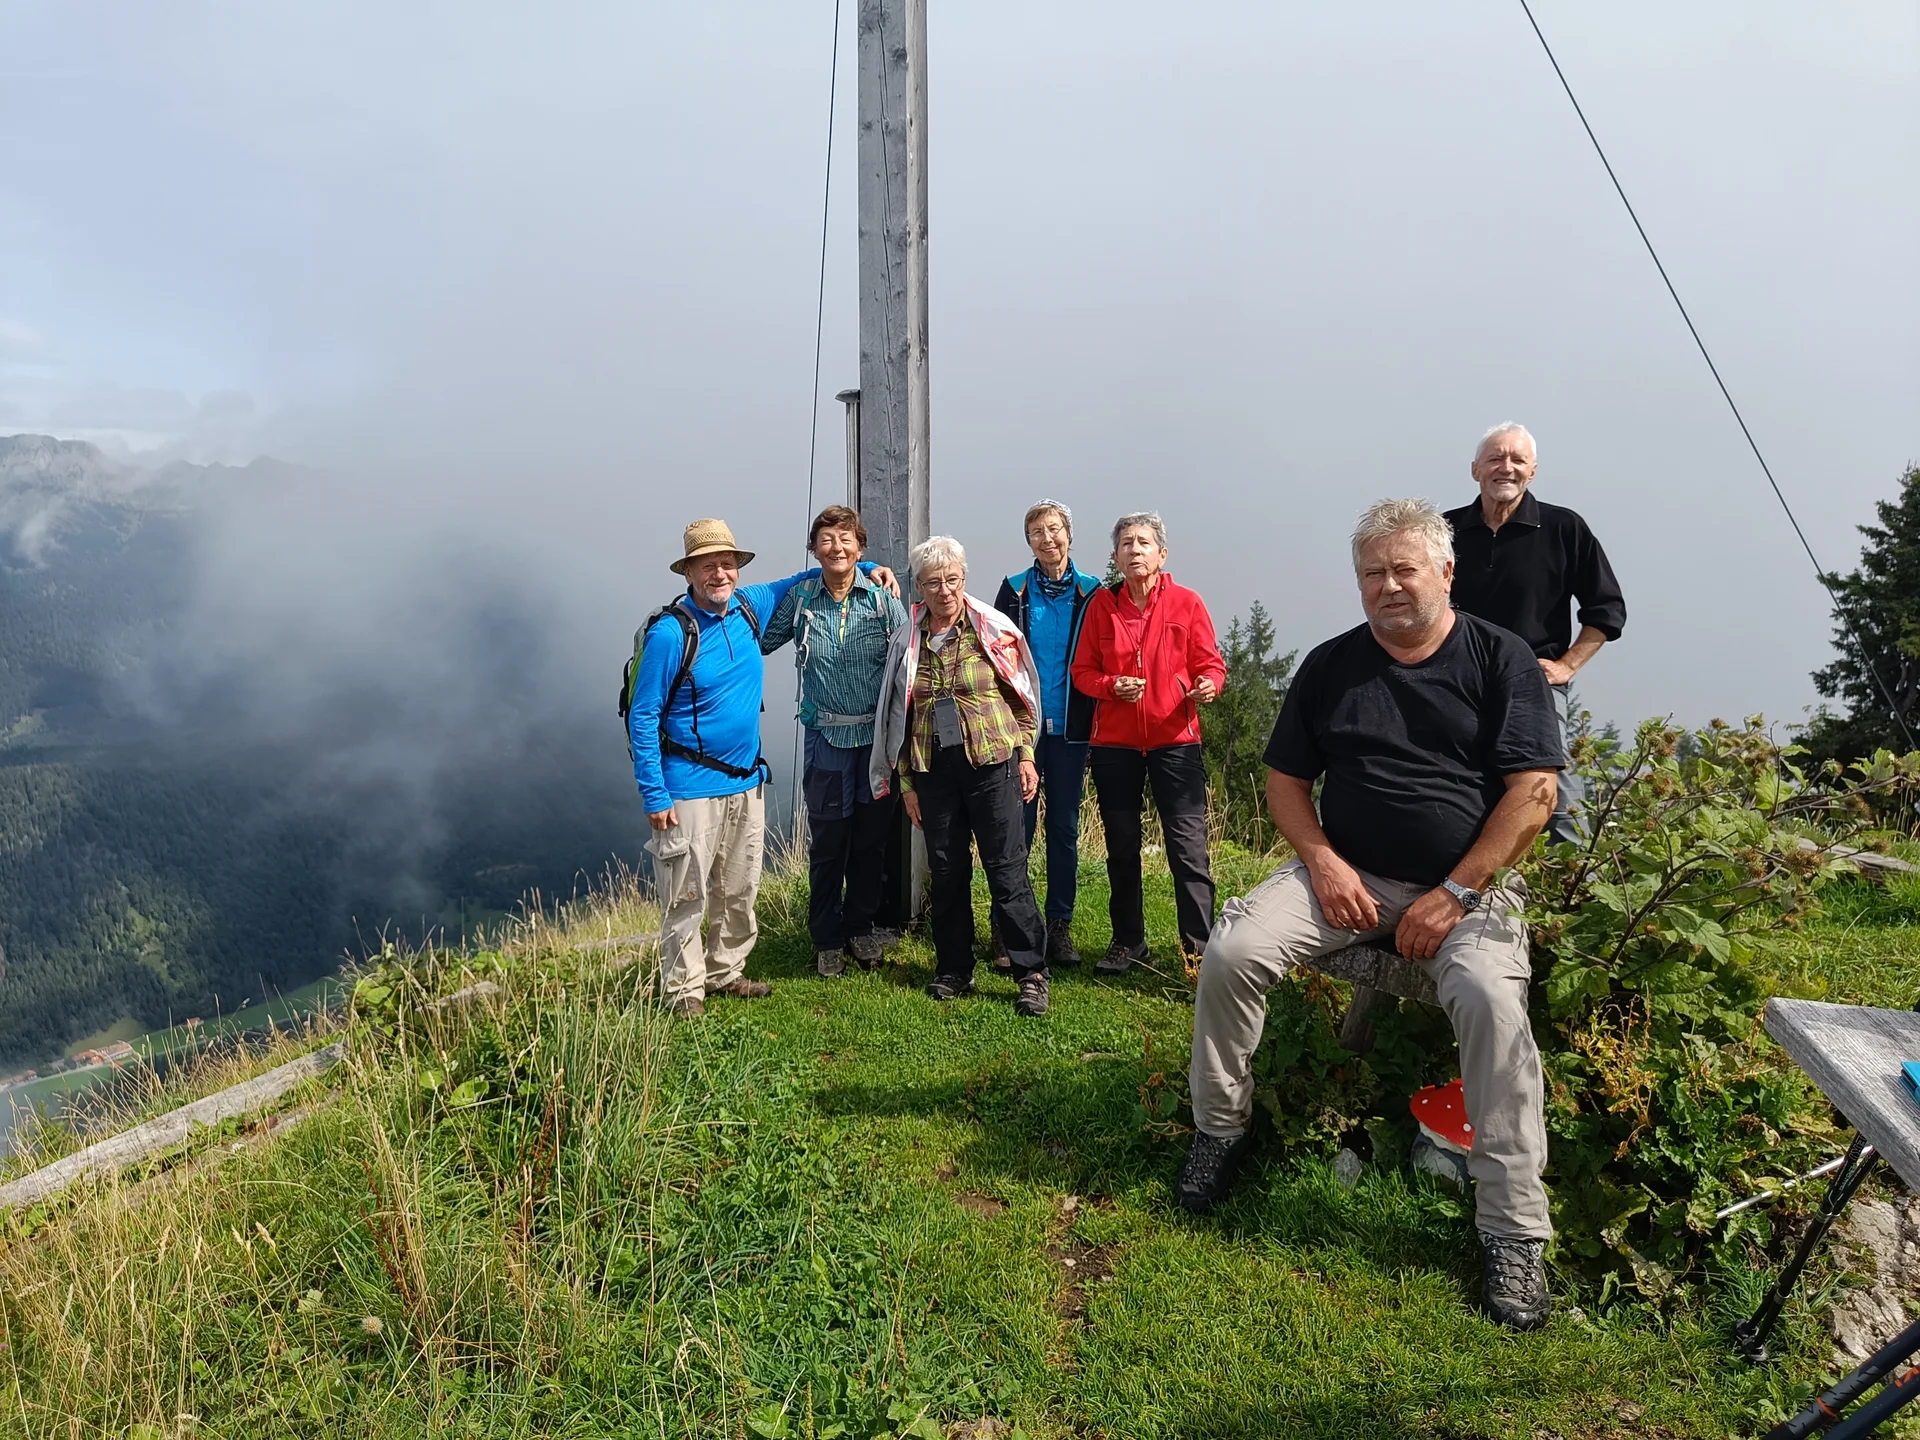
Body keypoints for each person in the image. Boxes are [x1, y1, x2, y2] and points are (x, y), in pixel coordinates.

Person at [1178, 497, 1563, 1331]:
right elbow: (1286, 783)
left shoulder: (1500, 661)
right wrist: (1321, 861)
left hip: (1470, 888)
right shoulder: (1332, 665)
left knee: (1491, 998)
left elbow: (1535, 792)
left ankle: (1512, 1229)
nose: (1388, 586)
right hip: (1344, 876)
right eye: (1372, 573)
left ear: (1446, 572)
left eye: (1403, 569)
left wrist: (1456, 891)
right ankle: (1220, 1129)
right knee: (1233, 950)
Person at [628, 518, 896, 1018]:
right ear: (688, 573)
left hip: (746, 779)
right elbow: (642, 717)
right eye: (707, 566)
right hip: (687, 783)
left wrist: (873, 567)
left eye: (726, 563)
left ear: (738, 568)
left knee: (739, 885)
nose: (719, 574)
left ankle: (726, 971)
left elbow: (818, 573)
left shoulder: (749, 605)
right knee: (686, 892)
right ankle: (684, 990)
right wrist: (654, 793)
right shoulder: (670, 633)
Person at [870, 536, 1052, 1016]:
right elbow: (899, 718)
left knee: (1006, 869)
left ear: (964, 578)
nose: (944, 590)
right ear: (919, 586)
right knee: (948, 872)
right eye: (933, 582)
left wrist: (1026, 755)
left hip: (993, 765)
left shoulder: (991, 629)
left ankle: (1031, 972)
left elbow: (1022, 697)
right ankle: (954, 968)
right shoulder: (906, 640)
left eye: (952, 579)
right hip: (933, 773)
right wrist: (906, 784)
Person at [1445, 423, 1625, 846]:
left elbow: (1607, 609)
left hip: (1533, 682)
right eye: (1495, 458)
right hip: (1453, 681)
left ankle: (1571, 880)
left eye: (1518, 460)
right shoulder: (1444, 531)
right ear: (1475, 469)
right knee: (1453, 785)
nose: (1506, 467)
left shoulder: (1564, 527)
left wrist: (1567, 666)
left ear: (1533, 471)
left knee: (1554, 794)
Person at [1070, 512, 1226, 974]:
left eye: (1143, 542)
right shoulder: (1101, 606)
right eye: (1126, 543)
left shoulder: (1187, 602)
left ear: (1162, 554)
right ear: (1115, 557)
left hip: (1175, 741)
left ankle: (1199, 953)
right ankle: (1128, 941)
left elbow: (1211, 665)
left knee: (1187, 848)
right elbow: (1082, 673)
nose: (1134, 549)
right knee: (1121, 848)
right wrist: (1111, 686)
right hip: (1114, 746)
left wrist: (1209, 685)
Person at [761, 505, 908, 977]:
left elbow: (908, 665)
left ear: (860, 548)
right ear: (814, 549)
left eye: (846, 539)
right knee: (828, 843)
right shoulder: (802, 599)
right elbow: (760, 641)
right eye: (826, 540)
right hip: (825, 738)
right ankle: (826, 937)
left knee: (869, 841)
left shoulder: (882, 601)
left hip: (876, 742)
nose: (837, 547)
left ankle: (860, 928)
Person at [990, 499, 1101, 971]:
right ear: (1029, 541)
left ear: (1069, 535)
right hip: (1024, 732)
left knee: (1064, 829)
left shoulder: (1093, 593)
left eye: (1054, 529)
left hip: (1073, 732)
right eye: (1037, 532)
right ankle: (1007, 927)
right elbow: (997, 659)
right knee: (1017, 830)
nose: (1047, 538)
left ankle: (1058, 925)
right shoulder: (1013, 590)